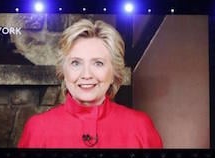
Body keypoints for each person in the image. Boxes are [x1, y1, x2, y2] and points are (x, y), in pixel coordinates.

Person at [17, 19, 163, 149]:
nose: (86, 75)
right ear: (63, 70)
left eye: (98, 63)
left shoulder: (140, 127)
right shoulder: (37, 128)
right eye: (75, 63)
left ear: (114, 72)